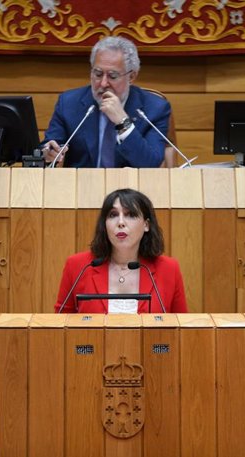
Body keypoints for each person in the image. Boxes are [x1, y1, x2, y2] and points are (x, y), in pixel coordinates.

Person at [41, 36, 171, 168]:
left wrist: (123, 122)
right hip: (82, 185)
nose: (103, 83)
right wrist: (48, 153)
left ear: (131, 77)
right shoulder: (69, 103)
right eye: (97, 74)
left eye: (112, 76)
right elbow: (48, 149)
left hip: (130, 186)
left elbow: (150, 164)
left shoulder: (155, 108)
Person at [55, 188, 187, 314]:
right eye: (113, 215)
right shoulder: (78, 266)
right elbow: (61, 325)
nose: (121, 222)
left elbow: (180, 328)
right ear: (105, 224)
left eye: (130, 215)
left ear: (146, 225)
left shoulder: (168, 269)